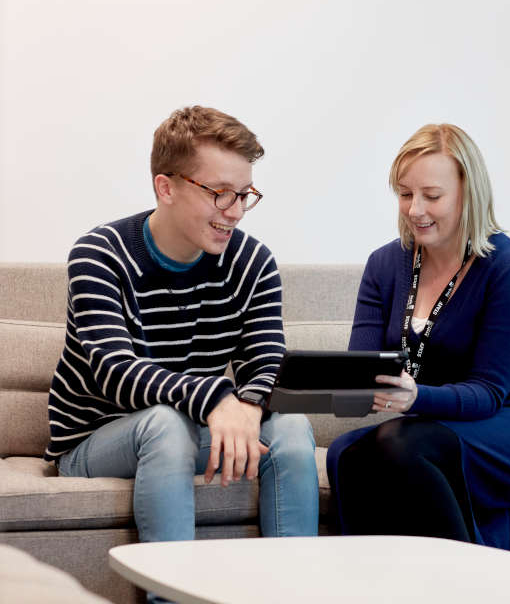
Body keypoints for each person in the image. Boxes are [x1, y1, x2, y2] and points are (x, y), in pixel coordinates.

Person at [46, 106, 318, 551]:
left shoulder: (254, 262)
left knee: (289, 428)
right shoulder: (99, 255)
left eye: (245, 194)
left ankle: (292, 591)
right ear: (166, 187)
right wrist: (217, 398)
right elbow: (115, 371)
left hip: (193, 428)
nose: (235, 212)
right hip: (98, 440)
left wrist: (249, 404)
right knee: (165, 425)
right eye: (220, 193)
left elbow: (267, 361)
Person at [326, 123, 510, 552]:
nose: (415, 209)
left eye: (432, 196)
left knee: (405, 445)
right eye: (405, 194)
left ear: (467, 194)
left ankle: (467, 588)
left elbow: (489, 392)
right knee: (345, 454)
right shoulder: (385, 265)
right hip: (438, 424)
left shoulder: (507, 268)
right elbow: (360, 368)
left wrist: (414, 397)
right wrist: (332, 386)